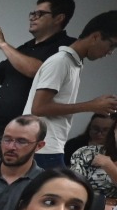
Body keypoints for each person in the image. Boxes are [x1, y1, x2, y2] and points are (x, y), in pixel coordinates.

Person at [0, 0, 77, 142]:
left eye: (39, 14)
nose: (32, 17)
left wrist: (2, 44)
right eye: (32, 13)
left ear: (59, 18)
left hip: (26, 134)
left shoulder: (67, 46)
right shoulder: (24, 48)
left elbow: (36, 71)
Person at [27, 11, 117, 168]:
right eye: (112, 45)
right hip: (44, 147)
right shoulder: (61, 62)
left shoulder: (73, 63)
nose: (111, 52)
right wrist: (92, 106)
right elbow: (39, 108)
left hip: (48, 146)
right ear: (96, 37)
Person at [71, 116, 117, 204]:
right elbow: (73, 187)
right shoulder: (87, 153)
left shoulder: (106, 162)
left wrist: (108, 165)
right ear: (114, 130)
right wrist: (101, 201)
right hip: (86, 206)